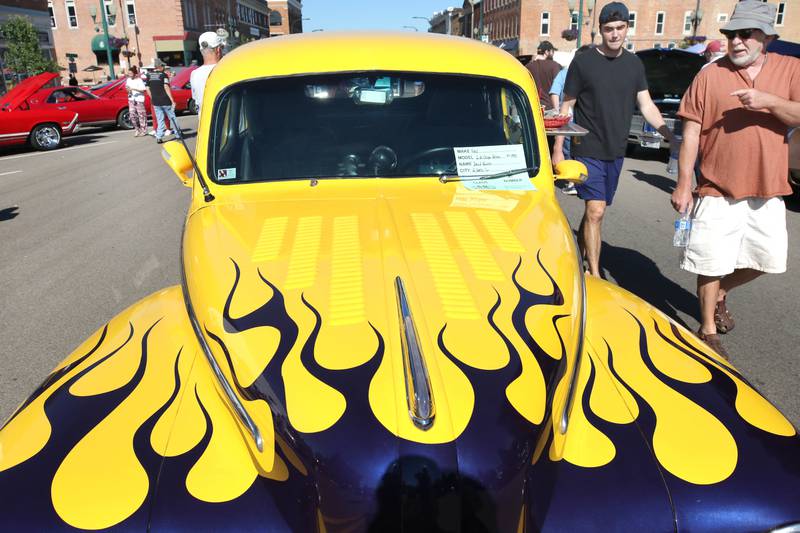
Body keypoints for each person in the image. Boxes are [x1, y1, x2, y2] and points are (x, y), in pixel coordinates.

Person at [670, 0, 800, 359]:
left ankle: (721, 292)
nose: (737, 42)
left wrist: (767, 101)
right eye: (731, 35)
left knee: (768, 260)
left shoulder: (791, 69)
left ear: (767, 38)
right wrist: (683, 182)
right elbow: (691, 131)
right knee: (708, 260)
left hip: (768, 186)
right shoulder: (710, 75)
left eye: (746, 35)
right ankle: (707, 330)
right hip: (716, 188)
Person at [553, 1, 674, 278]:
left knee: (598, 209)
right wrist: (559, 149)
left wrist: (669, 135)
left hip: (616, 149)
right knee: (595, 210)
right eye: (609, 29)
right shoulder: (583, 62)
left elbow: (646, 105)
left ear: (627, 29)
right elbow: (566, 107)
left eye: (620, 28)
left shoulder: (634, 65)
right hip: (587, 145)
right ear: (600, 31)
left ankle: (582, 251)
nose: (615, 34)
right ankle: (594, 274)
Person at [549, 45, 593, 196]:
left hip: (569, 120)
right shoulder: (590, 75)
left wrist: (557, 110)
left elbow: (555, 91)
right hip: (577, 120)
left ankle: (572, 181)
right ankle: (578, 180)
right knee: (578, 150)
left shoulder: (565, 73)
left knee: (570, 150)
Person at [190, 30, 226, 116]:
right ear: (218, 49)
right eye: (222, 48)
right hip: (224, 125)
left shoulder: (194, 74)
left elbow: (196, 99)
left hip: (205, 126)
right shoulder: (225, 69)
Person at [145, 59, 180, 144]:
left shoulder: (149, 75)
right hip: (165, 100)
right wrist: (172, 100)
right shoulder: (163, 75)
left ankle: (159, 136)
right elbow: (166, 87)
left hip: (156, 101)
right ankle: (178, 135)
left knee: (160, 119)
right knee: (172, 118)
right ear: (159, 66)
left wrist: (152, 97)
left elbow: (147, 88)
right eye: (163, 66)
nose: (164, 67)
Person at [527, 41, 561, 110]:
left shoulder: (529, 66)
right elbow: (559, 88)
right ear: (546, 52)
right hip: (550, 108)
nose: (553, 54)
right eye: (552, 51)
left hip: (533, 108)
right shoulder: (554, 66)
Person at [125, 66, 147, 137]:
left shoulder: (139, 80)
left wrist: (133, 89)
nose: (129, 74)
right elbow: (127, 89)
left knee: (141, 115)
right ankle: (137, 129)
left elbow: (143, 89)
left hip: (139, 100)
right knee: (132, 115)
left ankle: (143, 130)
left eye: (130, 73)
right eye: (128, 73)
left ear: (134, 73)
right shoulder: (128, 80)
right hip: (131, 99)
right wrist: (128, 90)